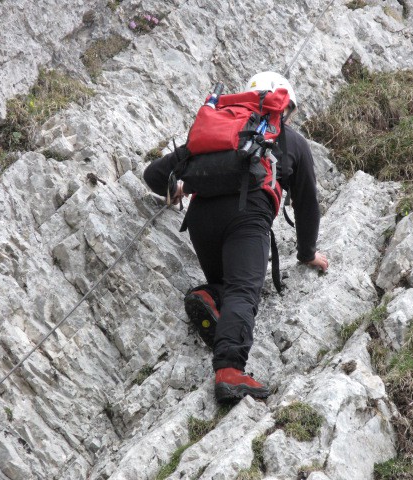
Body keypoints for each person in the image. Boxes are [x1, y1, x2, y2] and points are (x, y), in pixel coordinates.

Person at [143, 71, 328, 403]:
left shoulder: (218, 131)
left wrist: (177, 190)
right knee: (245, 290)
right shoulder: (291, 140)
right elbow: (306, 203)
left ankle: (211, 296)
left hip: (201, 222)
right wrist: (306, 253)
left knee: (231, 285)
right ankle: (229, 371)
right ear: (285, 106)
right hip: (248, 217)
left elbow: (154, 175)